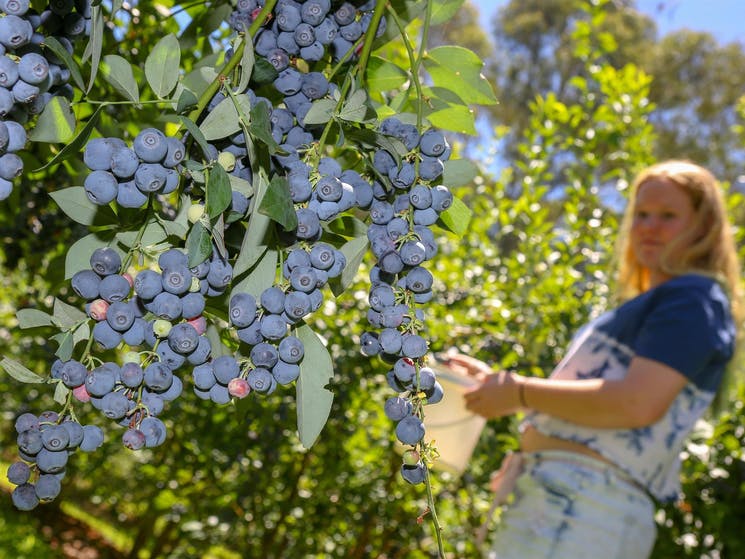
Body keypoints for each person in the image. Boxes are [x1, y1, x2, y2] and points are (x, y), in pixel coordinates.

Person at [446, 160, 742, 559]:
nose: (649, 226)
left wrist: (519, 393)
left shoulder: (692, 299)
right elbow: (599, 396)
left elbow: (636, 403)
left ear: (702, 228)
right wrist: (498, 387)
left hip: (582, 509)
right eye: (641, 214)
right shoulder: (661, 303)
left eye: (668, 215)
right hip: (568, 505)